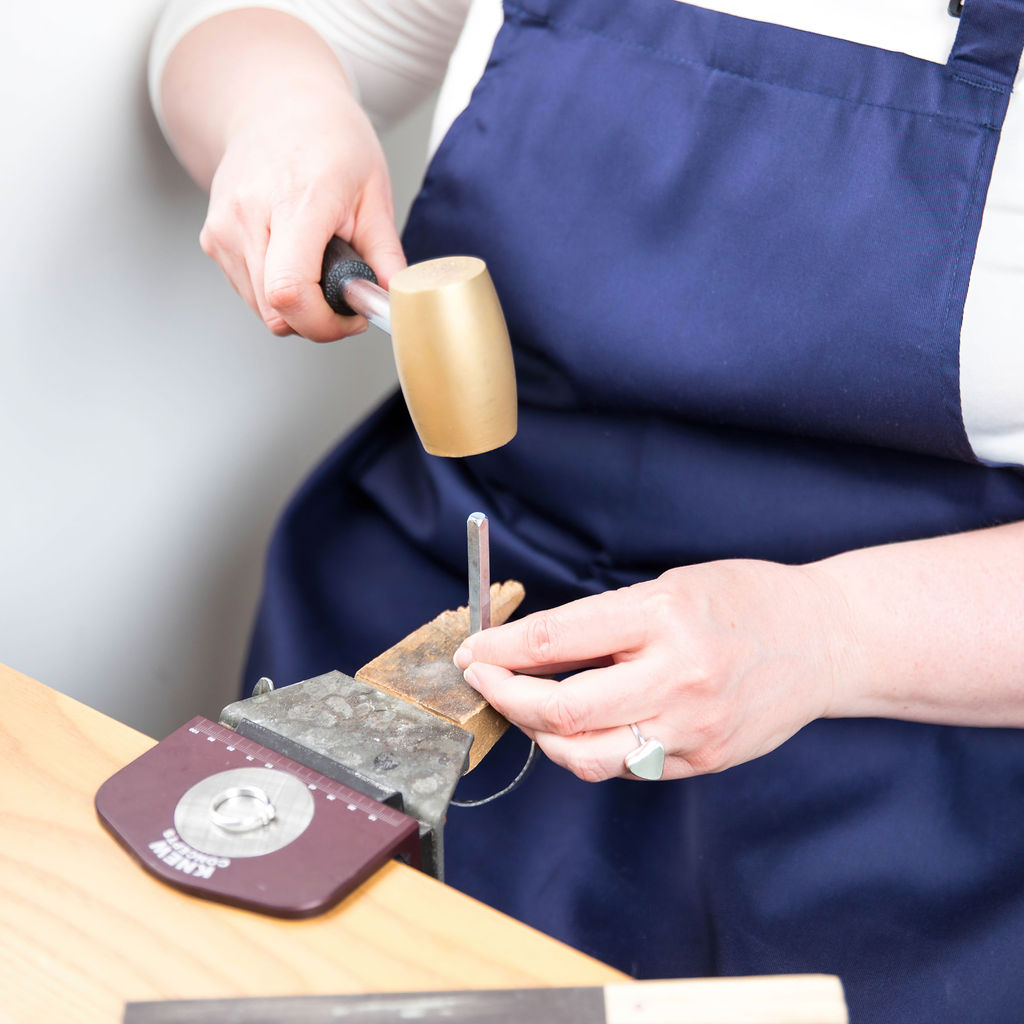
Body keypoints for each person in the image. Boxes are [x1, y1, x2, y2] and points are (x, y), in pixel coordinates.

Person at [150, 1, 1024, 1019]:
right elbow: (233, 25)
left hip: (888, 743)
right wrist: (281, 110)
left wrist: (832, 632)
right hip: (426, 622)